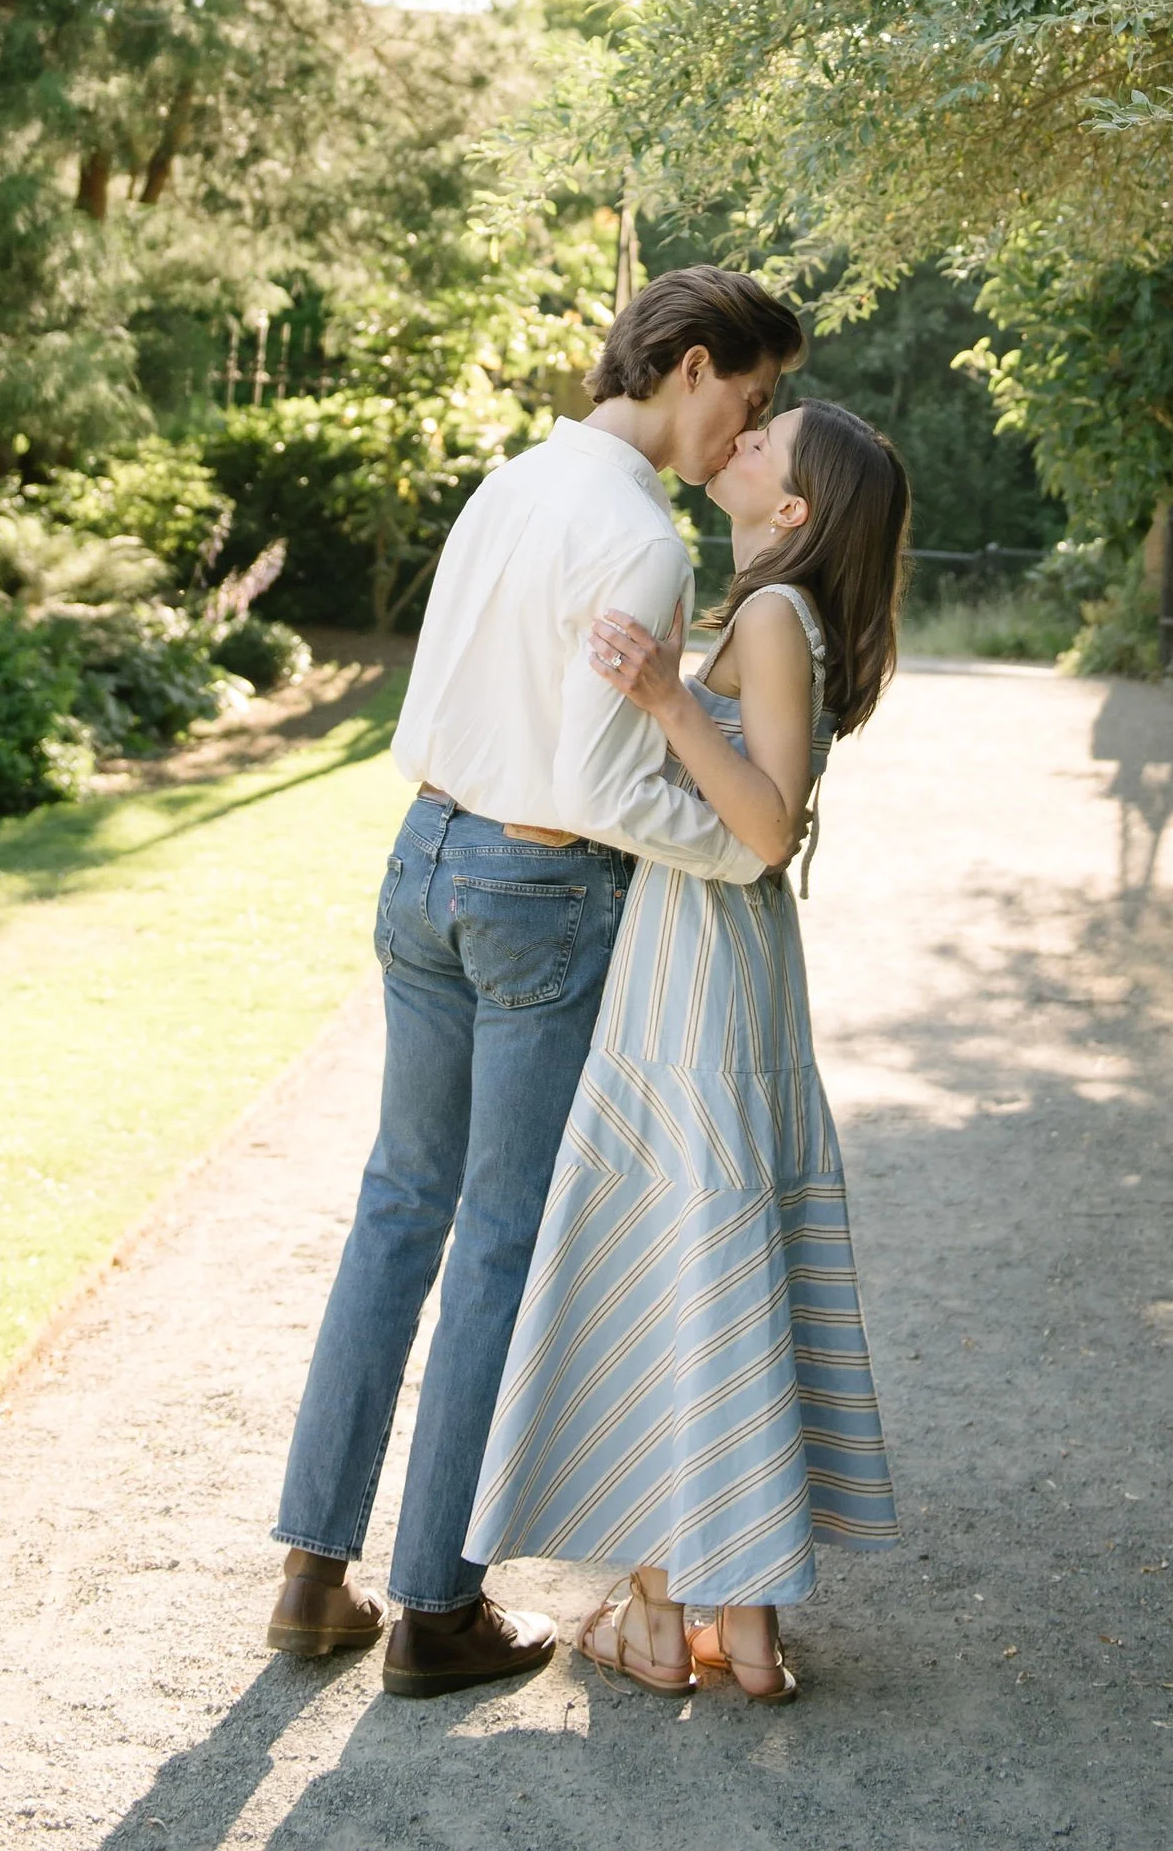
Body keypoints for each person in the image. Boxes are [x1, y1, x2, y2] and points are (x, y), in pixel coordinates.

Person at [265, 265, 807, 1698]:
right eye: (746, 403)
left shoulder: (508, 485)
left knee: (397, 1210)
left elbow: (438, 694)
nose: (740, 437)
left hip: (422, 855)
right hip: (535, 887)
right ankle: (436, 1612)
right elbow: (598, 781)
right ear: (690, 364)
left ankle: (311, 1581)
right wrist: (737, 842)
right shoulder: (638, 538)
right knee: (501, 1235)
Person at [464, 398, 910, 1703]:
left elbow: (765, 824)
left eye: (773, 443)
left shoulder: (773, 619)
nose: (747, 436)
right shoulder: (783, 617)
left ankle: (671, 1617)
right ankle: (737, 1622)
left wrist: (662, 696)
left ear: (795, 513)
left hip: (706, 963)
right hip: (718, 956)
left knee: (683, 1255)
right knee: (712, 1256)